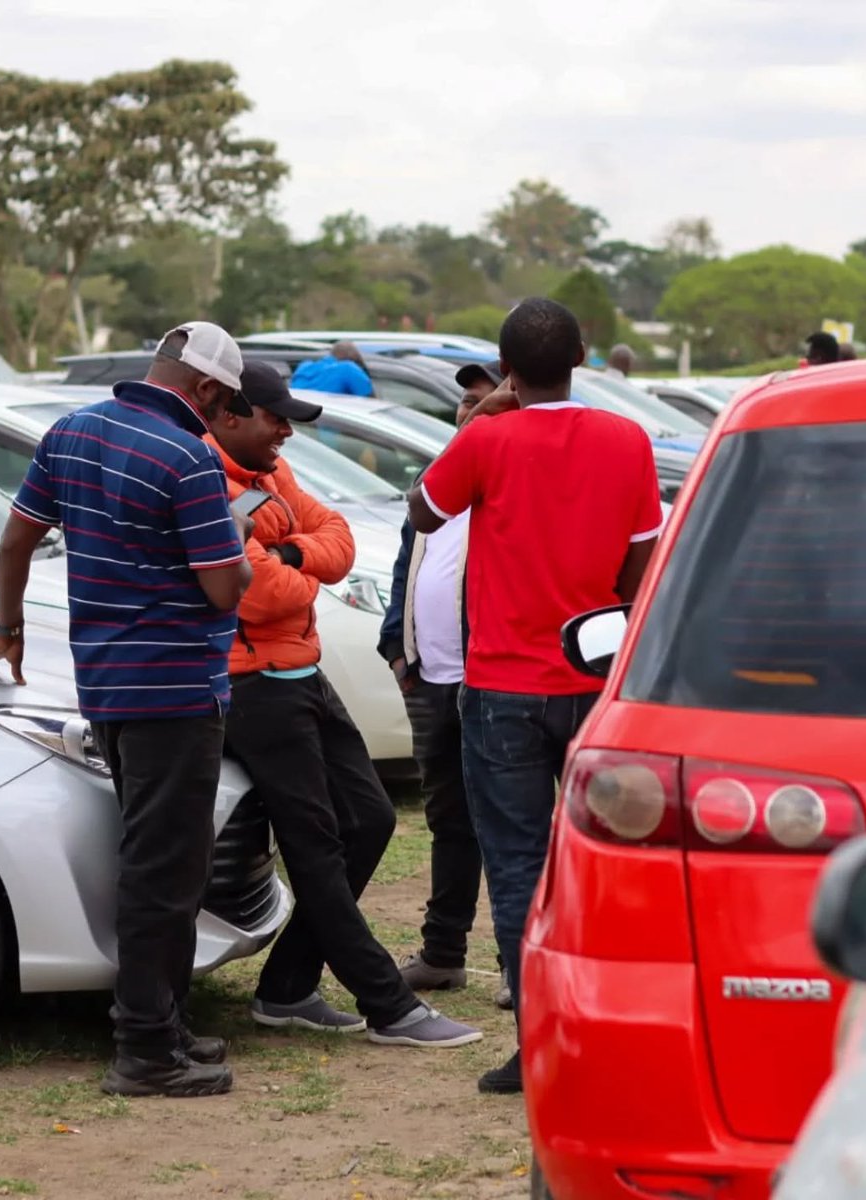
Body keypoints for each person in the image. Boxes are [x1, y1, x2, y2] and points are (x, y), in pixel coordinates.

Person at [0, 321, 254, 1098]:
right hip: (176, 691)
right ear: (210, 390)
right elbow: (225, 587)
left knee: (160, 860)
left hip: (109, 685)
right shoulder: (188, 457)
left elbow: (15, 543)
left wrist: (7, 628)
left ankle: (166, 1021)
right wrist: (244, 534)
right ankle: (146, 1050)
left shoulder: (72, 431)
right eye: (226, 399)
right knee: (165, 870)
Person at [408, 298, 663, 1095]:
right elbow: (641, 560)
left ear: (506, 364)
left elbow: (421, 509)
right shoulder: (627, 439)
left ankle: (538, 1044)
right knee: (610, 864)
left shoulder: (486, 438)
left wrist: (482, 413)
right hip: (594, 683)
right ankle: (621, 1033)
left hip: (501, 690)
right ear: (584, 355)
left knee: (517, 871)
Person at [205, 360, 482, 1049]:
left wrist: (285, 553)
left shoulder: (267, 472)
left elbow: (338, 542)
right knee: (316, 845)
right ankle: (388, 1004)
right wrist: (295, 566)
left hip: (300, 671)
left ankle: (288, 987)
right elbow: (260, 594)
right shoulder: (204, 478)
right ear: (230, 414)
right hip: (251, 684)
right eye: (276, 420)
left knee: (371, 819)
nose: (285, 436)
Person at [379, 360, 511, 1011]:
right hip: (432, 680)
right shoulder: (434, 484)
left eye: (484, 402)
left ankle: (518, 961)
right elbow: (411, 565)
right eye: (464, 402)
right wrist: (396, 650)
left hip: (494, 682)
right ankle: (443, 953)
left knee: (515, 825)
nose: (470, 412)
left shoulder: (513, 481)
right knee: (448, 822)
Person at [289, 340, 375, 396]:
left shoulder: (304, 366)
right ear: (351, 359)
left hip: (298, 422)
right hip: (330, 421)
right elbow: (370, 403)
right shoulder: (348, 368)